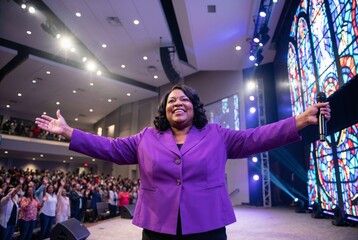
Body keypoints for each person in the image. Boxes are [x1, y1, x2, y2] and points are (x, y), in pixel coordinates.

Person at [35, 84, 331, 240]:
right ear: (164, 111)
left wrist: (301, 120)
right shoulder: (146, 137)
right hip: (158, 227)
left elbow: (256, 137)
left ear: (194, 106)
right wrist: (69, 132)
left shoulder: (216, 134)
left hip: (207, 226)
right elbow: (109, 147)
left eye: (184, 99)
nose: (177, 103)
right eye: (171, 101)